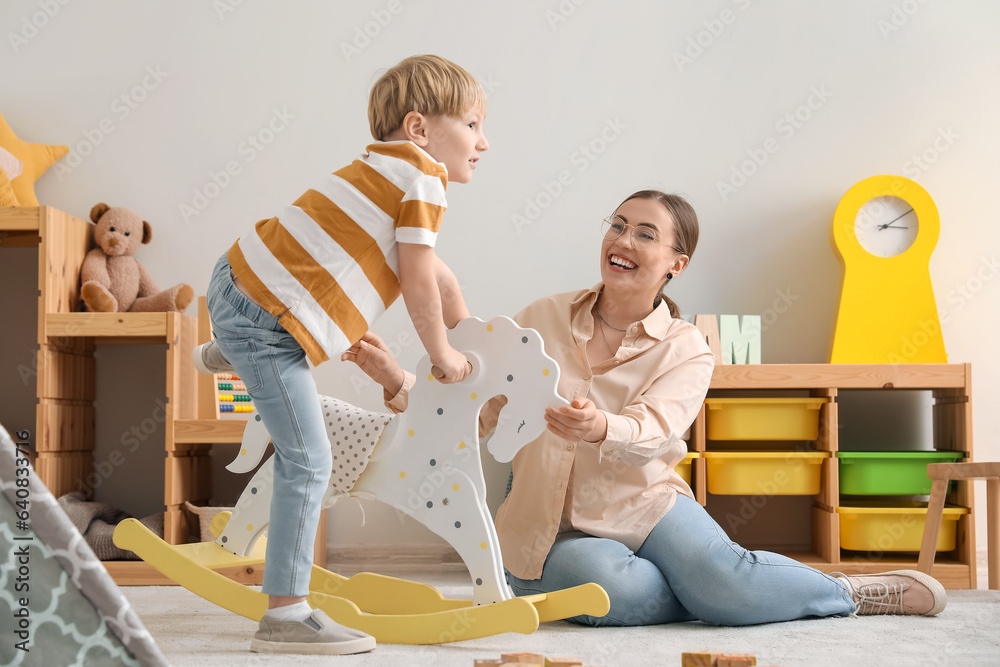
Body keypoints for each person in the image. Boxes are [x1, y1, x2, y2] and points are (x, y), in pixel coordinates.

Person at [344, 189, 948, 628]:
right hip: (550, 533)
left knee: (722, 578)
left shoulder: (687, 348)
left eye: (646, 234)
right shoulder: (540, 318)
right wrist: (397, 380)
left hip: (648, 505)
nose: (623, 240)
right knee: (607, 588)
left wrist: (600, 425)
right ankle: (724, 596)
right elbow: (479, 412)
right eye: (618, 224)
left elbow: (657, 431)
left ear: (675, 265)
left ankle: (842, 593)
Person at [192, 54, 489, 655]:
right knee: (308, 461)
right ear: (419, 129)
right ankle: (285, 616)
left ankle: (225, 349)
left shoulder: (381, 171)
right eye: (474, 125)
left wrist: (471, 342)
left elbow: (439, 276)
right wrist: (441, 356)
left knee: (284, 355)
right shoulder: (423, 179)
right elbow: (417, 281)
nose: (484, 142)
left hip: (239, 282)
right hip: (267, 321)